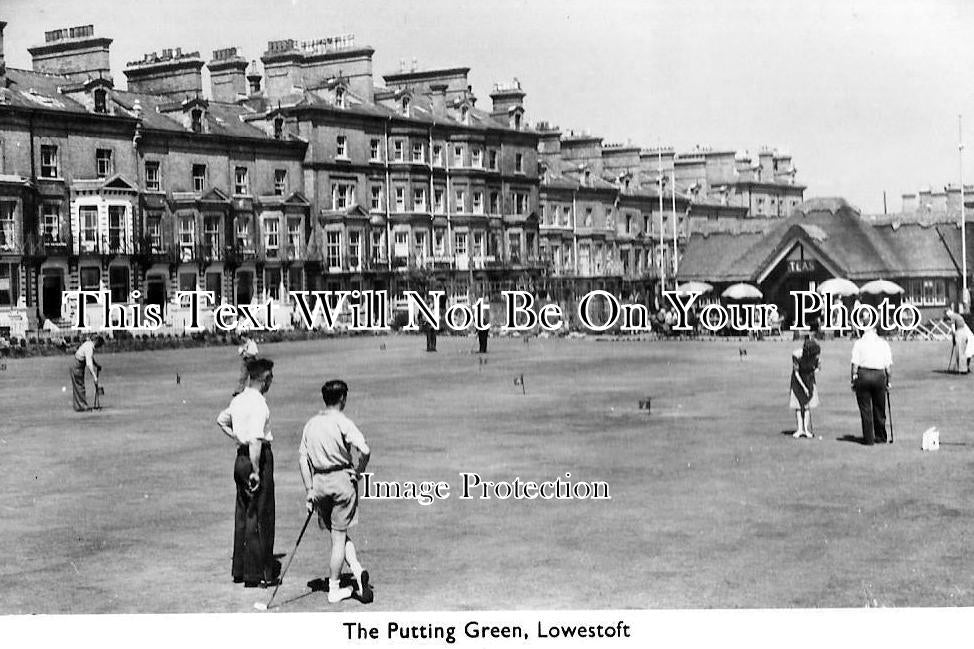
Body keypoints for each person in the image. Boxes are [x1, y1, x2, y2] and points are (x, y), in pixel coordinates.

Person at [298, 379, 373, 604]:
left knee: (337, 533)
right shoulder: (343, 422)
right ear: (342, 398)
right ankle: (334, 589)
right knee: (338, 537)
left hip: (320, 482)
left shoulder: (311, 424)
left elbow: (303, 457)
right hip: (341, 481)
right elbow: (365, 450)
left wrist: (309, 489)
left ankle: (358, 570)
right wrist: (359, 471)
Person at [216, 358, 278, 587]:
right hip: (256, 459)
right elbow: (256, 439)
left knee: (242, 514)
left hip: (240, 458)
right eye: (270, 377)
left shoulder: (238, 400)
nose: (271, 381)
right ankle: (258, 573)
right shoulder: (260, 403)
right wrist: (256, 470)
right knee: (260, 515)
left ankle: (240, 570)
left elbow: (221, 420)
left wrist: (235, 437)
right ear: (264, 379)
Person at [850, 325, 892, 445]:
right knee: (879, 408)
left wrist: (853, 380)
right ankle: (880, 436)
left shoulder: (859, 343)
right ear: (875, 330)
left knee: (865, 409)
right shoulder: (883, 343)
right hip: (879, 376)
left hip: (863, 375)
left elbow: (854, 365)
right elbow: (888, 368)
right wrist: (888, 382)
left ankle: (868, 439)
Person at [789, 336, 821, 439]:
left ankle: (806, 430)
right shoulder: (796, 355)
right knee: (798, 406)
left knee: (807, 406)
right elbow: (796, 373)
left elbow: (819, 368)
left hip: (809, 379)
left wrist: (812, 373)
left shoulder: (816, 356)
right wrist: (804, 387)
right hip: (797, 380)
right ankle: (799, 429)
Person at [70, 335, 104, 411]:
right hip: (77, 366)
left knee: (78, 386)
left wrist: (96, 365)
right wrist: (94, 376)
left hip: (77, 365)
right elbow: (89, 363)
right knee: (80, 387)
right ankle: (83, 407)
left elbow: (90, 358)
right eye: (99, 345)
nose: (99, 347)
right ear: (97, 342)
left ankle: (78, 407)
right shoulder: (90, 348)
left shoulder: (88, 344)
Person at [944, 307, 973, 374]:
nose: (947, 316)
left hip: (960, 333)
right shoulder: (958, 315)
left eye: (946, 314)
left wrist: (954, 338)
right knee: (963, 352)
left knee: (959, 352)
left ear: (948, 312)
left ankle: (962, 370)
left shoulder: (953, 316)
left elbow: (953, 330)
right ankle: (964, 369)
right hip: (965, 333)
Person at [234, 330, 259, 395]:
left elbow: (254, 353)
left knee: (253, 377)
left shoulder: (252, 343)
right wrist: (244, 353)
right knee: (242, 377)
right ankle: (240, 391)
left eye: (243, 338)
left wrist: (246, 353)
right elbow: (240, 353)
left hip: (252, 361)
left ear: (246, 337)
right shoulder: (243, 345)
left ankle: (252, 391)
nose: (242, 340)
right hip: (245, 362)